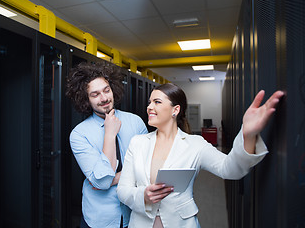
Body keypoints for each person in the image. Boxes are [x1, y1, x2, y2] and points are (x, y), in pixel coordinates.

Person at [117, 83, 284, 228]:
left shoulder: (195, 144)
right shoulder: (137, 143)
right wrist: (143, 196)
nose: (149, 107)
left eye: (157, 102)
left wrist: (248, 135)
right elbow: (123, 191)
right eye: (149, 102)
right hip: (141, 222)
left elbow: (230, 169)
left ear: (175, 110)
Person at [66, 61, 148, 228]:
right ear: (85, 99)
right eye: (95, 94)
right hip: (100, 218)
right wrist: (109, 135)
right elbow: (102, 183)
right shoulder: (79, 134)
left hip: (135, 214)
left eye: (106, 90)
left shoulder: (135, 122)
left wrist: (109, 180)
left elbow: (148, 167)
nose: (104, 98)